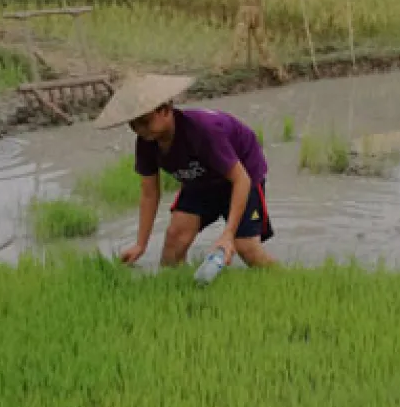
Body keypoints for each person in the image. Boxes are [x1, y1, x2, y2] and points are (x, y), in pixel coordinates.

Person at [95, 74, 278, 276]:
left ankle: (283, 281)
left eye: (144, 122)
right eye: (133, 125)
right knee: (174, 241)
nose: (140, 130)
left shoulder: (202, 131)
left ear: (165, 110)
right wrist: (141, 244)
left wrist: (227, 235)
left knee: (245, 247)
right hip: (201, 180)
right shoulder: (147, 142)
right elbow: (149, 193)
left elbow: (241, 179)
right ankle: (180, 291)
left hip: (243, 174)